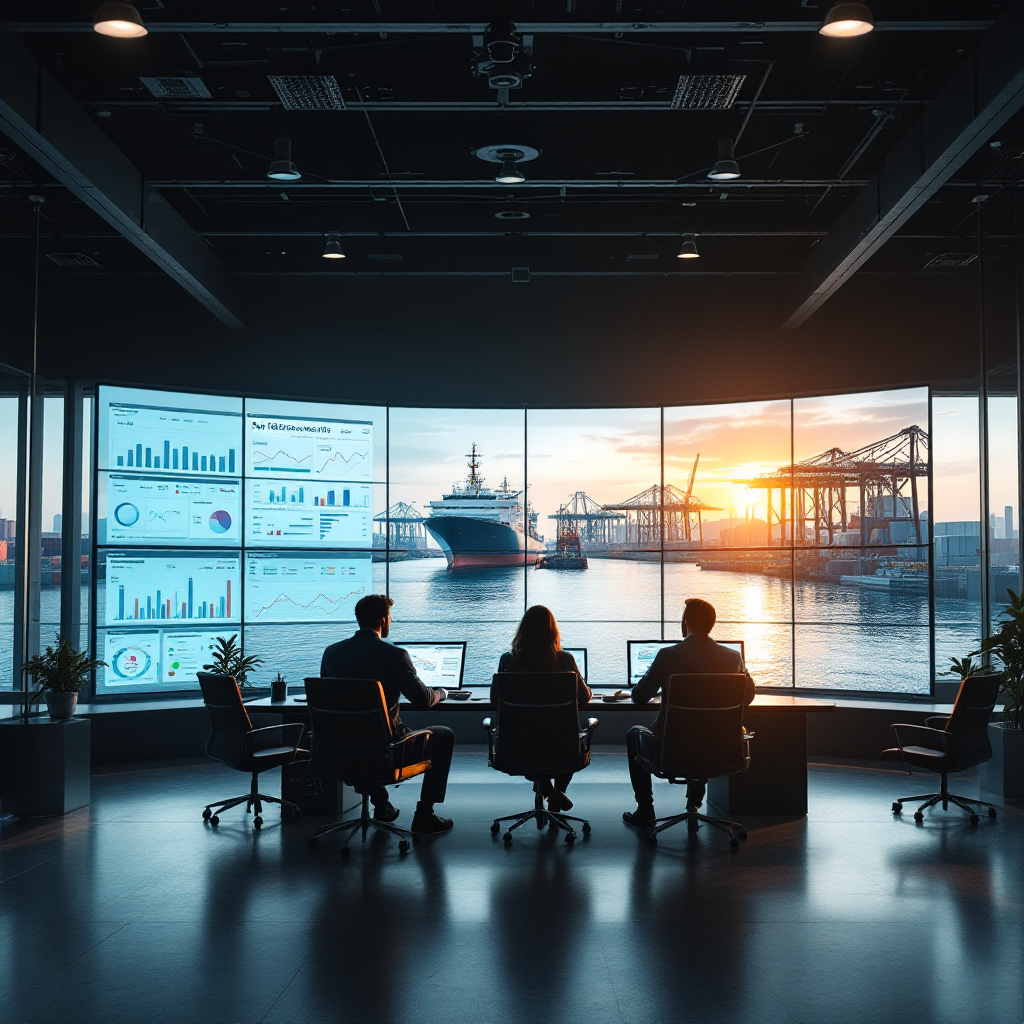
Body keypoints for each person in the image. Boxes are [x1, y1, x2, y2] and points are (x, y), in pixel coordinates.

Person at [320, 594, 455, 835]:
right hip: (386, 751)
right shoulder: (395, 655)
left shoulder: (331, 653)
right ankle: (425, 815)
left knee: (363, 734)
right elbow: (423, 700)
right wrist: (442, 693)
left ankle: (381, 803)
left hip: (339, 748)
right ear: (384, 620)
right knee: (443, 735)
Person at [619, 597, 754, 829]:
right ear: (712, 624)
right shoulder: (733, 657)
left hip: (672, 749)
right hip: (720, 748)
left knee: (634, 734)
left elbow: (639, 696)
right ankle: (694, 802)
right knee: (703, 731)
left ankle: (646, 810)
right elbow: (748, 696)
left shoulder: (668, 655)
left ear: (685, 622)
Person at [494, 605, 592, 813]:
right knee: (565, 737)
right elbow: (585, 697)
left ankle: (549, 791)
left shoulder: (508, 660)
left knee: (533, 740)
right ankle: (555, 795)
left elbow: (495, 699)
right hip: (561, 746)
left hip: (517, 747)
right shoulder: (565, 660)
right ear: (553, 632)